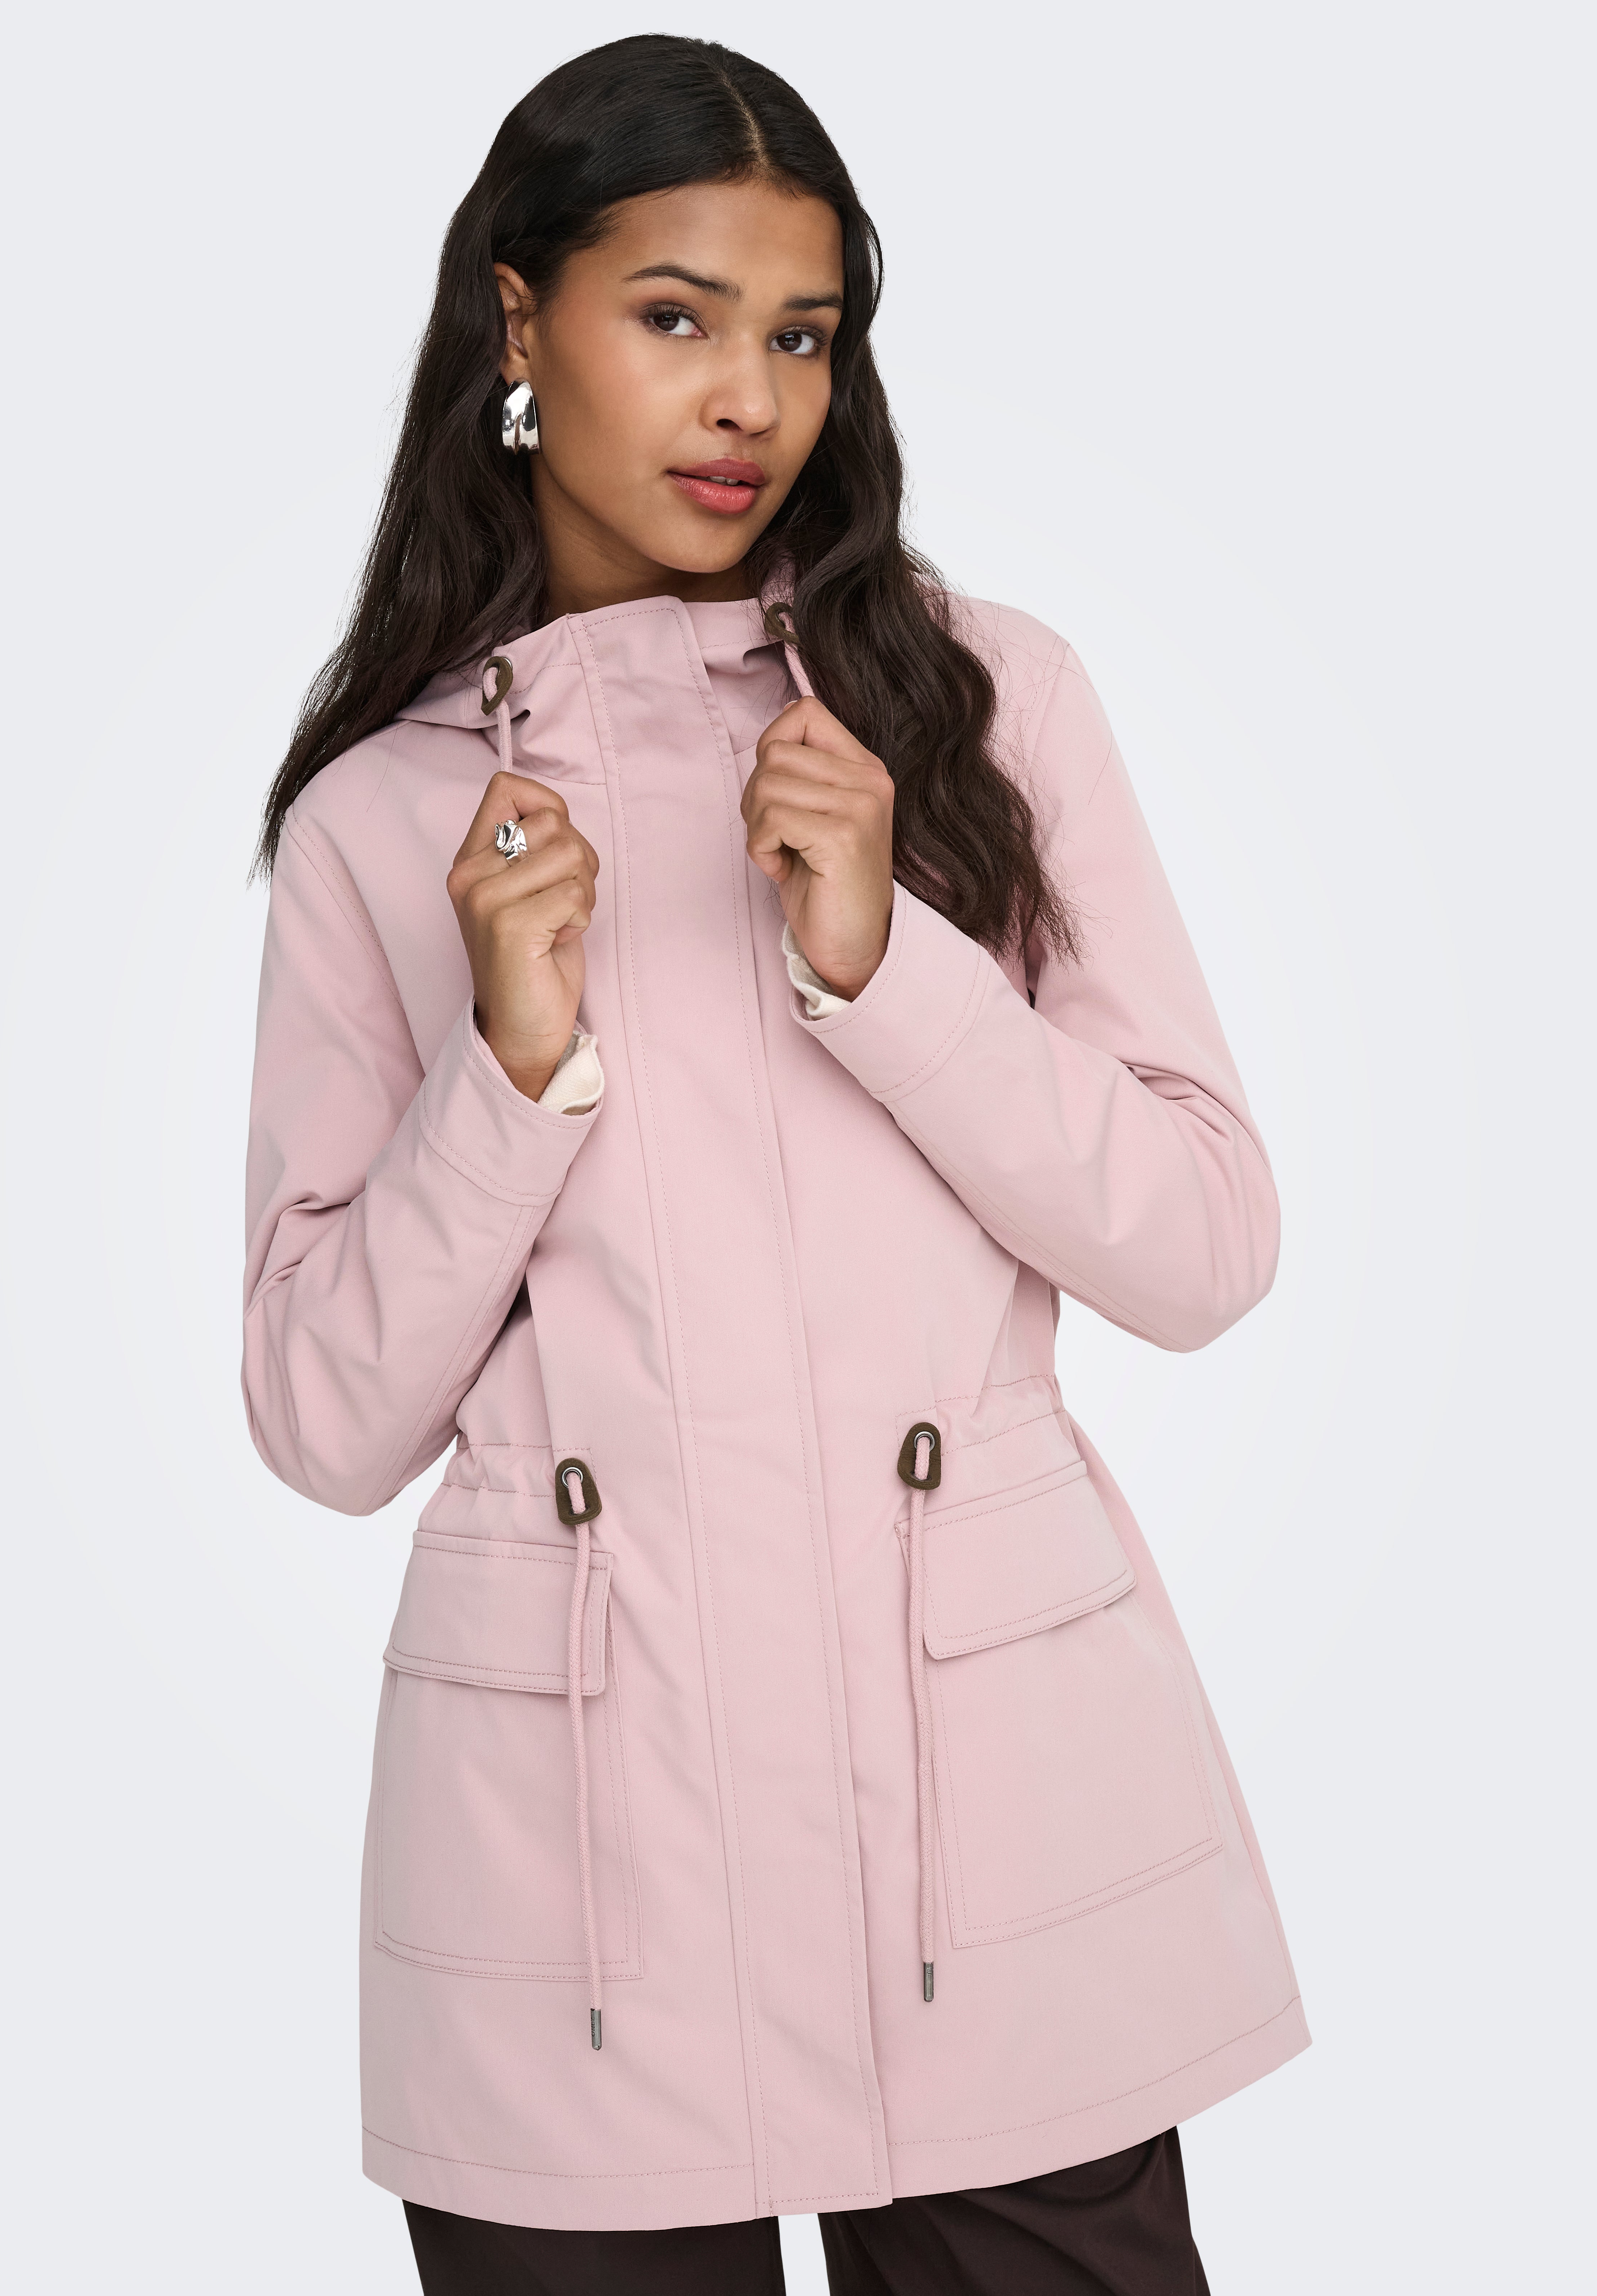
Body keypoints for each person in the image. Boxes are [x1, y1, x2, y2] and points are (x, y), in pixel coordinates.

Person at [242, 34, 1306, 2293]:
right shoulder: (382, 821)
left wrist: (886, 961)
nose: (747, 398)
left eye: (800, 336)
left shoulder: (978, 710)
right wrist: (508, 1069)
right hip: (577, 1888)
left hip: (985, 1845)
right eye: (675, 316)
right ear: (517, 323)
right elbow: (323, 1419)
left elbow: (1204, 1243)